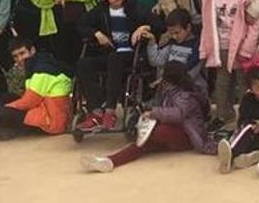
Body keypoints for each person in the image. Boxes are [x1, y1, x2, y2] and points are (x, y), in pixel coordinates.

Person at [81, 61, 217, 173]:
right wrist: (145, 109)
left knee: (156, 132)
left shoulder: (186, 95)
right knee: (141, 145)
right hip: (173, 133)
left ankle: (139, 139)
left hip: (187, 136)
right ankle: (110, 161)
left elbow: (178, 114)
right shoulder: (167, 90)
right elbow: (158, 105)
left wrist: (153, 113)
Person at [75, 0, 162, 132]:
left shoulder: (133, 6)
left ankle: (110, 110)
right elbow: (80, 23)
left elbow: (158, 23)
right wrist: (96, 33)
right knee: (83, 63)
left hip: (132, 55)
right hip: (111, 53)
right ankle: (95, 111)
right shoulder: (101, 10)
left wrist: (144, 27)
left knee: (114, 59)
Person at [199, 0, 259, 129]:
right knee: (222, 83)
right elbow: (208, 19)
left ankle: (246, 117)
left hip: (241, 47)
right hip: (221, 46)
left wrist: (247, 48)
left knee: (243, 83)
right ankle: (222, 115)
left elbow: (255, 25)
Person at [0, 38, 72, 139]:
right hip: (42, 108)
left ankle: (1, 125)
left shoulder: (42, 69)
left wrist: (3, 110)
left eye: (22, 53)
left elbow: (30, 101)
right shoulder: (35, 64)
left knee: (4, 113)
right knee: (6, 98)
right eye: (15, 56)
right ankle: (2, 125)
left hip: (51, 120)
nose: (19, 59)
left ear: (32, 50)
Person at [146, 8, 203, 89]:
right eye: (171, 33)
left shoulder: (197, 47)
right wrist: (152, 42)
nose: (174, 36)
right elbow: (155, 61)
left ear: (188, 27)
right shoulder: (172, 44)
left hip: (191, 91)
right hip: (170, 89)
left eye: (177, 33)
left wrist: (166, 80)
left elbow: (191, 74)